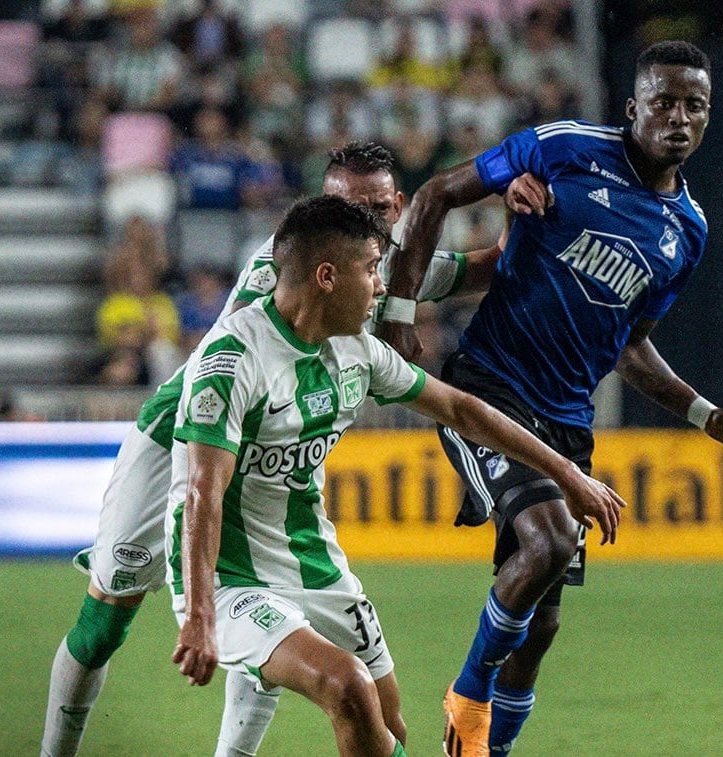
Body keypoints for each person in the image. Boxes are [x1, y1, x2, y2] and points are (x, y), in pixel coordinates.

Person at [41, 141, 546, 757]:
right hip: (182, 443)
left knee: (280, 604)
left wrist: (517, 215)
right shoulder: (283, 278)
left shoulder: (387, 266)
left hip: (273, 458)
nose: (358, 222)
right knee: (105, 618)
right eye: (339, 208)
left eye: (372, 211)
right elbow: (262, 363)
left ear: (398, 207)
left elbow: (490, 266)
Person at [378, 41, 723, 755]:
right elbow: (436, 193)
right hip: (489, 387)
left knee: (541, 627)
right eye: (663, 101)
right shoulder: (565, 148)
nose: (678, 117)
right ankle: (467, 692)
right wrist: (397, 308)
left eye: (694, 105)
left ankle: (489, 749)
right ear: (634, 107)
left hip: (569, 420)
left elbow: (629, 346)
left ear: (707, 119)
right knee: (550, 538)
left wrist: (705, 414)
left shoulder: (687, 232)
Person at [168, 195, 623, 757]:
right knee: (348, 687)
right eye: (371, 270)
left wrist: (567, 476)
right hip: (229, 576)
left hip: (313, 560)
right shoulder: (232, 359)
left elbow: (464, 410)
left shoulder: (356, 351)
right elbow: (201, 493)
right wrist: (200, 619)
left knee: (390, 729)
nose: (383, 288)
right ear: (327, 276)